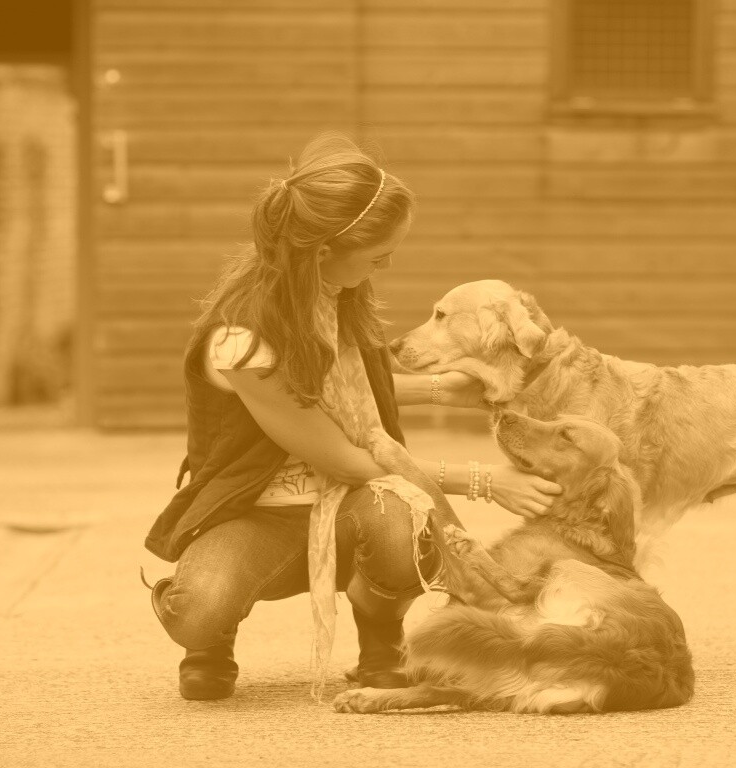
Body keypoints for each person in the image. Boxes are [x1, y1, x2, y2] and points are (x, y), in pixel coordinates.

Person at [142, 133, 562, 701]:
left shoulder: (332, 292)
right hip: (256, 513)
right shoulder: (240, 342)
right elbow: (346, 455)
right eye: (378, 255)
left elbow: (345, 400)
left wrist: (448, 388)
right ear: (321, 251)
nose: (385, 265)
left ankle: (380, 637)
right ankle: (209, 638)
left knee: (403, 530)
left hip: (348, 509)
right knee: (200, 606)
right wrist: (483, 481)